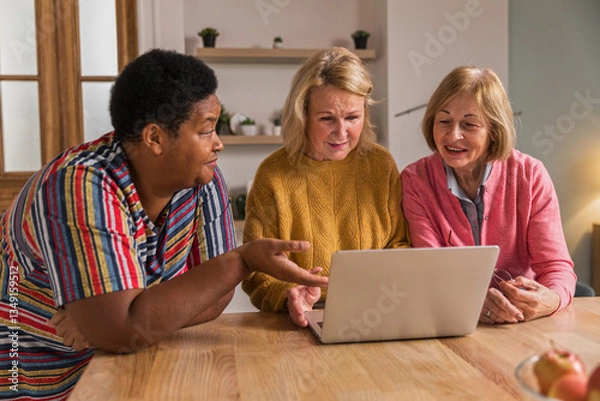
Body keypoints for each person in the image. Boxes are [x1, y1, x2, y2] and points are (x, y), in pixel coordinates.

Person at [0, 49, 327, 400]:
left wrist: (118, 322)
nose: (219, 143)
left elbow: (216, 296)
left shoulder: (203, 181)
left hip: (130, 362)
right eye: (205, 131)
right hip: (32, 374)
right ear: (154, 138)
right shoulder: (81, 184)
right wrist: (241, 261)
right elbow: (127, 327)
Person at [242, 47, 411, 327]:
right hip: (302, 323)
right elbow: (256, 271)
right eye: (327, 118)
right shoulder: (273, 175)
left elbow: (401, 245)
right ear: (302, 116)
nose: (341, 133)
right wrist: (289, 296)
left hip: (379, 315)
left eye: (352, 118)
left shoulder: (381, 165)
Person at [401, 65, 577, 325]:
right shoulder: (416, 180)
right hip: (455, 321)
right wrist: (469, 302)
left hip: (525, 323)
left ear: (493, 130)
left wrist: (551, 298)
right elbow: (432, 272)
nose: (453, 135)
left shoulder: (530, 174)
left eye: (469, 124)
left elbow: (557, 267)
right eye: (444, 121)